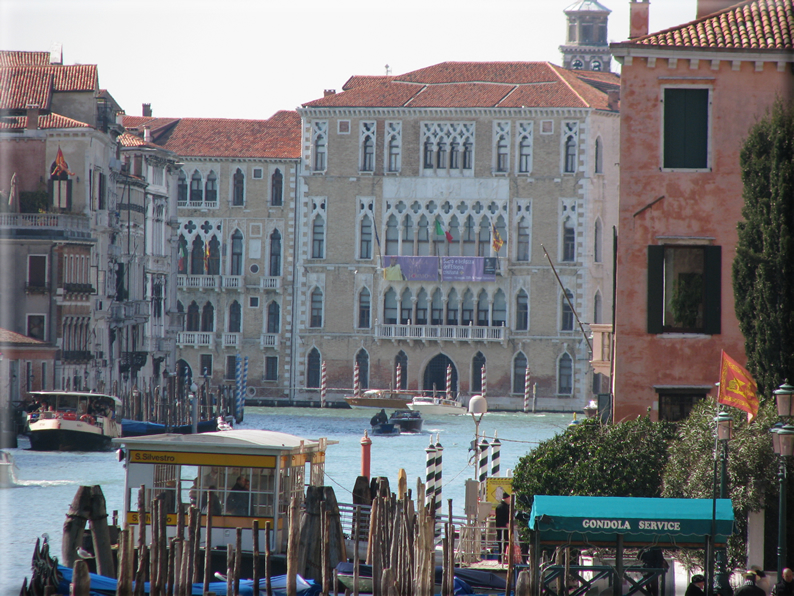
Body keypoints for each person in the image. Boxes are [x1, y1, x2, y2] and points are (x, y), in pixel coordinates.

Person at [494, 492, 511, 556]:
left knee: (504, 543)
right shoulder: (501, 507)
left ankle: (503, 557)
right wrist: (506, 524)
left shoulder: (506, 506)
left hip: (504, 527)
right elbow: (500, 518)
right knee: (502, 543)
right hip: (502, 528)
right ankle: (501, 558)